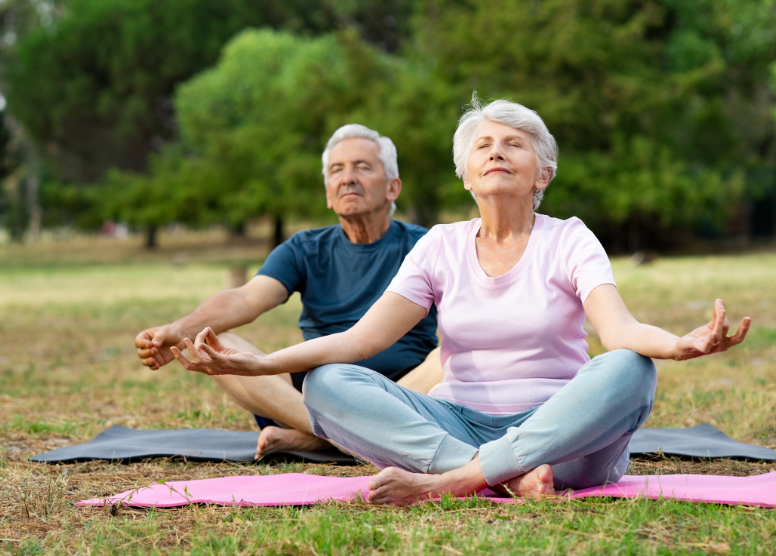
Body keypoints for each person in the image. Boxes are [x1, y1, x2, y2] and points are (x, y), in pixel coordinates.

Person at [170, 98, 751, 505]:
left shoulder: (570, 237)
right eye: (483, 145)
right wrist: (263, 363)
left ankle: (456, 481)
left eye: (514, 145)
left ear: (541, 170)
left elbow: (619, 332)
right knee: (327, 382)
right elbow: (360, 341)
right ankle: (494, 475)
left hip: (563, 437)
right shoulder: (440, 245)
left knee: (629, 370)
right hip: (459, 426)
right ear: (466, 174)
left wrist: (679, 344)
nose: (496, 152)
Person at [135, 124, 442, 459]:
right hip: (316, 393)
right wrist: (180, 330)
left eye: (363, 167)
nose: (347, 178)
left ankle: (319, 439)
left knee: (449, 357)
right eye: (336, 170)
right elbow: (246, 299)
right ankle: (352, 438)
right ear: (328, 192)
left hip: (404, 390)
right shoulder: (304, 248)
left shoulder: (428, 245)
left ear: (392, 188)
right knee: (213, 343)